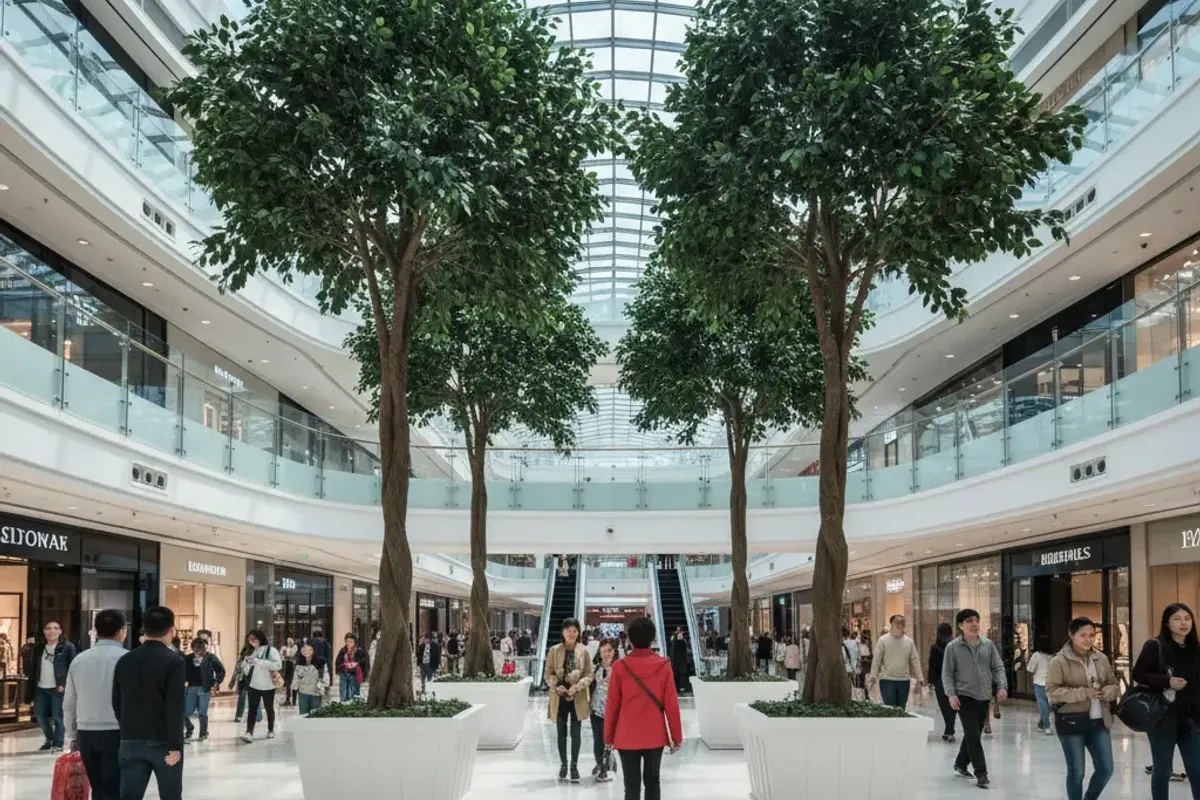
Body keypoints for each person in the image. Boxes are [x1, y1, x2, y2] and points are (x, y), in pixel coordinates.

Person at [604, 616, 683, 800]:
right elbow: (671, 704)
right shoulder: (663, 665)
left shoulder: (619, 667)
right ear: (652, 638)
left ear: (630, 639)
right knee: (653, 782)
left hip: (626, 734)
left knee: (631, 786)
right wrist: (676, 737)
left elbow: (612, 705)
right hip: (654, 734)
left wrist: (608, 736)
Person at [112, 606, 185, 800]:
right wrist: (175, 745)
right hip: (164, 742)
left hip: (130, 740)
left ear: (144, 630)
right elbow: (175, 705)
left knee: (129, 796)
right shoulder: (174, 662)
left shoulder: (125, 660)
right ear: (171, 630)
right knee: (170, 795)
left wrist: (127, 727)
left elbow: (116, 701)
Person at [1133, 602, 1200, 800]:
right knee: (1162, 772)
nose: (1183, 623)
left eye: (1187, 618)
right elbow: (1139, 674)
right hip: (1162, 718)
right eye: (1177, 619)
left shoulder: (1194, 648)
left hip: (1191, 720)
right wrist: (1167, 681)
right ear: (1167, 623)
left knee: (1197, 772)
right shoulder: (1155, 646)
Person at [1046, 617, 1118, 800]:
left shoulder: (1100, 658)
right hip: (1072, 720)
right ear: (1071, 635)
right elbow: (1053, 691)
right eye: (1083, 635)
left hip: (1099, 720)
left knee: (1106, 769)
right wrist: (1084, 693)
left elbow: (1113, 684)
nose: (1088, 639)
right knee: (1077, 771)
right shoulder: (1059, 661)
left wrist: (1108, 692)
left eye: (1092, 635)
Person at [63, 609, 126, 800]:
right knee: (115, 788)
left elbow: (69, 702)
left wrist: (70, 734)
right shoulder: (128, 659)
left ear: (96, 631)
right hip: (118, 732)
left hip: (86, 732)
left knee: (97, 787)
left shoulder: (79, 660)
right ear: (123, 631)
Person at [942, 608, 1007, 790]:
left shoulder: (988, 645)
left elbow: (998, 667)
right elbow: (947, 673)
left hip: (984, 696)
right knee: (972, 734)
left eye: (976, 620)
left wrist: (1002, 686)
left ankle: (961, 763)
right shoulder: (952, 647)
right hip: (964, 696)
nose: (974, 624)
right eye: (969, 621)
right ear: (961, 625)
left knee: (974, 734)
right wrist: (951, 694)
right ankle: (981, 773)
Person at [545, 617, 594, 783]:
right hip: (559, 696)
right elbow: (548, 673)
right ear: (562, 632)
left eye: (574, 630)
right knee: (561, 732)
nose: (571, 634)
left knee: (576, 732)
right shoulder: (554, 650)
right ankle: (563, 764)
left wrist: (577, 686)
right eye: (568, 630)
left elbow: (589, 674)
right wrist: (557, 685)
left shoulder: (584, 651)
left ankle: (574, 766)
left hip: (577, 697)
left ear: (578, 632)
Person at [33, 620, 77, 752]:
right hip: (41, 686)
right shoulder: (39, 648)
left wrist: (66, 684)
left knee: (58, 716)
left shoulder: (67, 647)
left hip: (58, 687)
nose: (51, 631)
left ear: (60, 632)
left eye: (55, 628)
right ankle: (50, 738)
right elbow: (33, 667)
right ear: (44, 631)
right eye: (48, 628)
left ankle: (58, 742)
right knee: (40, 715)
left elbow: (72, 667)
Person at [869, 615, 923, 710]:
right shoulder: (883, 640)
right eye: (896, 622)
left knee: (901, 709)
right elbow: (876, 660)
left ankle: (899, 725)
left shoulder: (909, 642)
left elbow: (915, 660)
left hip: (904, 680)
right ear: (891, 624)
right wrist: (872, 677)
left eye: (902, 623)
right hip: (887, 680)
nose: (899, 625)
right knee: (890, 709)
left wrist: (920, 678)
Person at [239, 630, 282, 743]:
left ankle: (271, 729)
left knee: (269, 708)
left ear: (260, 638)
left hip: (268, 685)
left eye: (253, 639)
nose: (251, 642)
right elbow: (247, 671)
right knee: (252, 709)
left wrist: (258, 661)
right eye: (249, 640)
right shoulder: (253, 651)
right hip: (254, 684)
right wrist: (246, 663)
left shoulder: (271, 650)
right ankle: (249, 732)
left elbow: (277, 665)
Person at [182, 638, 224, 743]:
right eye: (194, 648)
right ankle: (189, 728)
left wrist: (216, 682)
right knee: (186, 712)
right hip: (191, 688)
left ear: (203, 648)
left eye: (199, 648)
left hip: (205, 688)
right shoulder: (188, 658)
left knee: (202, 712)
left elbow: (220, 670)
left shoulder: (210, 658)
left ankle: (203, 733)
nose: (196, 650)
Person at [591, 640, 617, 783]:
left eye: (609, 651)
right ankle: (601, 765)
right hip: (596, 709)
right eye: (603, 651)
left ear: (614, 652)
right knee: (598, 740)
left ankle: (606, 767)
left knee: (609, 741)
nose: (606, 654)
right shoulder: (595, 668)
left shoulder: (619, 668)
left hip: (612, 710)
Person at [927, 622, 957, 743]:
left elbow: (932, 665)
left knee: (945, 707)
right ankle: (950, 730)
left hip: (940, 681)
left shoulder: (935, 647)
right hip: (954, 680)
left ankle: (949, 730)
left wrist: (930, 681)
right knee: (953, 706)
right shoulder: (955, 645)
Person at [1026, 635, 1055, 735]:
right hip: (1051, 684)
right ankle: (1043, 724)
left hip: (1039, 684)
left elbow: (1030, 670)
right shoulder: (1052, 656)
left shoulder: (1036, 655)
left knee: (1043, 706)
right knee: (1049, 706)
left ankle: (1045, 725)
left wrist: (1030, 683)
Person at [228, 642, 262, 725]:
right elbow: (237, 669)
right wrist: (232, 682)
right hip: (243, 679)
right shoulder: (242, 658)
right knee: (242, 697)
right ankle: (239, 716)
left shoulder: (257, 658)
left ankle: (257, 716)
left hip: (254, 679)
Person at [291, 642, 328, 716]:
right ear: (301, 651)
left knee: (315, 714)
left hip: (316, 692)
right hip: (303, 692)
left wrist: (325, 684)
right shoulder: (299, 663)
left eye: (309, 650)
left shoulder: (320, 661)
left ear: (313, 650)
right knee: (304, 714)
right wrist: (294, 687)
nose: (307, 652)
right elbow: (296, 677)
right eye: (304, 650)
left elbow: (325, 674)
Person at [335, 633, 368, 701]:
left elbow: (364, 662)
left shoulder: (359, 650)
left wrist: (355, 664)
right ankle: (343, 704)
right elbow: (338, 662)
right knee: (343, 693)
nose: (349, 643)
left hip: (354, 674)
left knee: (354, 693)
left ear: (354, 642)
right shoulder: (343, 650)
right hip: (344, 673)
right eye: (347, 641)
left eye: (351, 641)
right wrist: (344, 665)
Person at [669, 630, 690, 694]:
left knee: (682, 674)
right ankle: (677, 688)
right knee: (676, 675)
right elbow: (672, 652)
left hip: (682, 661)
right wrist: (672, 660)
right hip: (676, 662)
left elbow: (685, 652)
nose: (680, 637)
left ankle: (682, 687)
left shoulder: (683, 642)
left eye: (681, 636)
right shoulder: (674, 642)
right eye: (679, 636)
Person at [280, 637, 298, 707]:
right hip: (287, 665)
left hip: (293, 666)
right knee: (288, 683)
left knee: (294, 684)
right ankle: (287, 699)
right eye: (288, 641)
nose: (289, 643)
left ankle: (294, 700)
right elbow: (282, 655)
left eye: (290, 641)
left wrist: (288, 654)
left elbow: (292, 654)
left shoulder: (295, 647)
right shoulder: (284, 647)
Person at [842, 627, 861, 691]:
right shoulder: (855, 643)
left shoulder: (842, 644)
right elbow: (858, 656)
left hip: (845, 668)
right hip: (854, 668)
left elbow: (843, 657)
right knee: (854, 686)